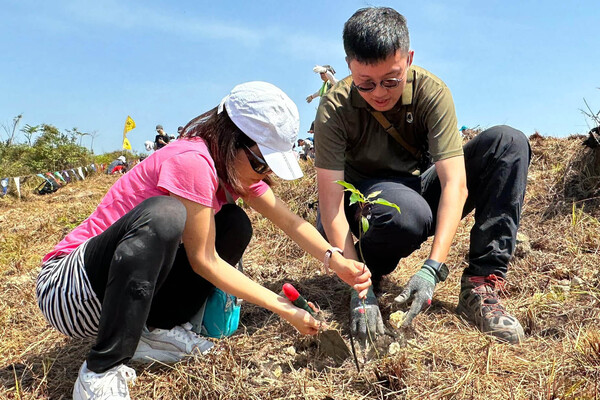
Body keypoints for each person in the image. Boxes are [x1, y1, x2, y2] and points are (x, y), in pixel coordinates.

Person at [36, 81, 372, 399]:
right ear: (229, 138)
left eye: (269, 167)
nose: (264, 174)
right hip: (71, 290)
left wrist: (335, 259)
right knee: (165, 216)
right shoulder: (192, 162)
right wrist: (283, 306)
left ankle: (150, 331)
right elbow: (204, 260)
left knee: (233, 224)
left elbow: (291, 222)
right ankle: (100, 370)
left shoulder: (235, 168)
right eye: (260, 163)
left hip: (116, 293)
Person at [314, 7, 531, 345]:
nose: (379, 93)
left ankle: (480, 285)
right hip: (363, 205)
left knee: (508, 142)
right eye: (365, 84)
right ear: (348, 67)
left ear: (409, 58)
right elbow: (330, 208)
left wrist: (432, 268)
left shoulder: (432, 92)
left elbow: (455, 184)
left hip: (415, 190)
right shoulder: (336, 107)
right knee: (404, 212)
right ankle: (367, 270)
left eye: (391, 80)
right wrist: (360, 290)